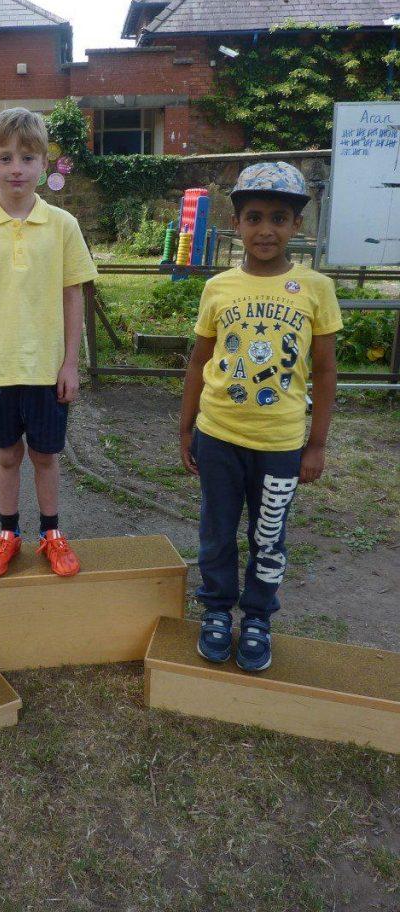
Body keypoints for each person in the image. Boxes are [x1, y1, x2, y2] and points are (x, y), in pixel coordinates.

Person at [179, 162, 342, 671]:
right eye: (254, 217)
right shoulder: (219, 287)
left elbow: (326, 371)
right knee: (217, 530)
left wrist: (316, 444)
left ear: (297, 225)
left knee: (268, 536)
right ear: (237, 224)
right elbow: (199, 361)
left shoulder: (315, 288)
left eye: (278, 218)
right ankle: (216, 611)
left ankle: (256, 618)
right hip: (218, 435)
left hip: (281, 444)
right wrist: (186, 426)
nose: (265, 229)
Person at [0, 108, 97, 578]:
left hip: (47, 369)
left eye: (27, 158)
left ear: (43, 164)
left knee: (45, 456)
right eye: (5, 158)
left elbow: (73, 297)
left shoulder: (63, 225)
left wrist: (70, 364)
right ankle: (8, 534)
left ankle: (52, 533)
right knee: (7, 455)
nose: (16, 168)